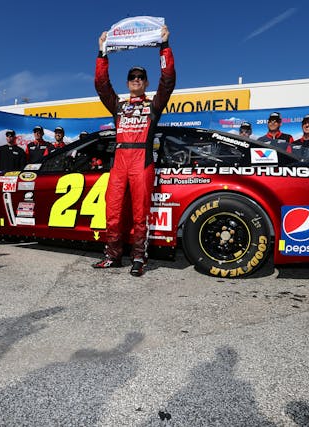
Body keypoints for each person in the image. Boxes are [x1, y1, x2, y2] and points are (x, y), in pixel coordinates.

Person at [93, 24, 176, 276]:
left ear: (146, 82)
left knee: (140, 214)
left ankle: (139, 258)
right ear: (128, 82)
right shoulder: (118, 105)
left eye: (140, 77)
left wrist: (164, 46)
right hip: (120, 161)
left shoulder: (154, 104)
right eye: (132, 77)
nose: (136, 80)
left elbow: (168, 80)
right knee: (113, 211)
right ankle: (112, 256)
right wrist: (102, 53)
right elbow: (101, 84)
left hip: (142, 160)